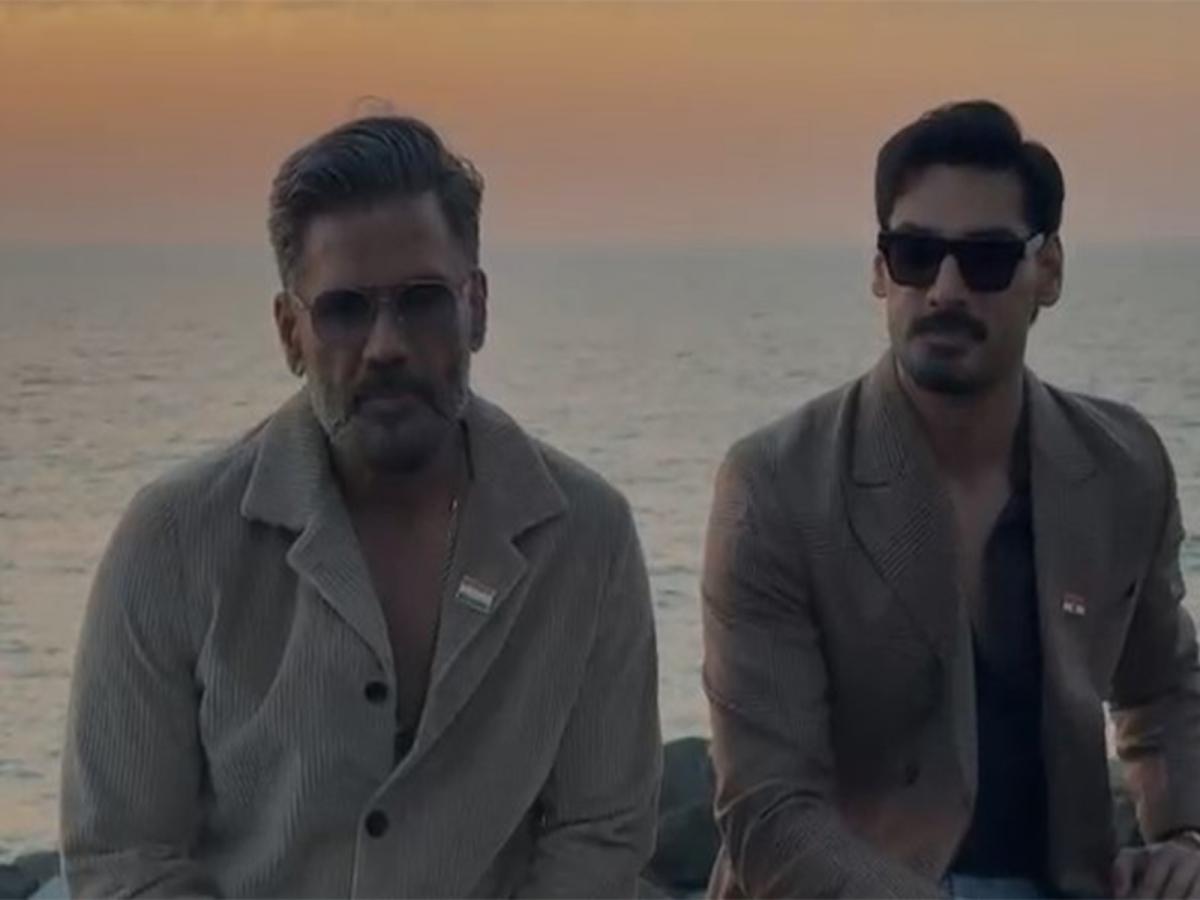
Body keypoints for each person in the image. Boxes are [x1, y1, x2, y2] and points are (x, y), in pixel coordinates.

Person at [60, 115, 661, 898]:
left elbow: (600, 835)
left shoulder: (585, 539)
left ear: (477, 307)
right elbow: (122, 856)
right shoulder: (172, 542)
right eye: (345, 309)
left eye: (422, 301)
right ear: (290, 333)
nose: (386, 345)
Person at [701, 100, 1200, 898]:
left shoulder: (1121, 466)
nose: (945, 289)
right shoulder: (776, 485)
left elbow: (1163, 689)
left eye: (987, 260)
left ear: (1049, 271)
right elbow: (771, 813)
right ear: (879, 270)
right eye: (915, 254)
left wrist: (1184, 837)